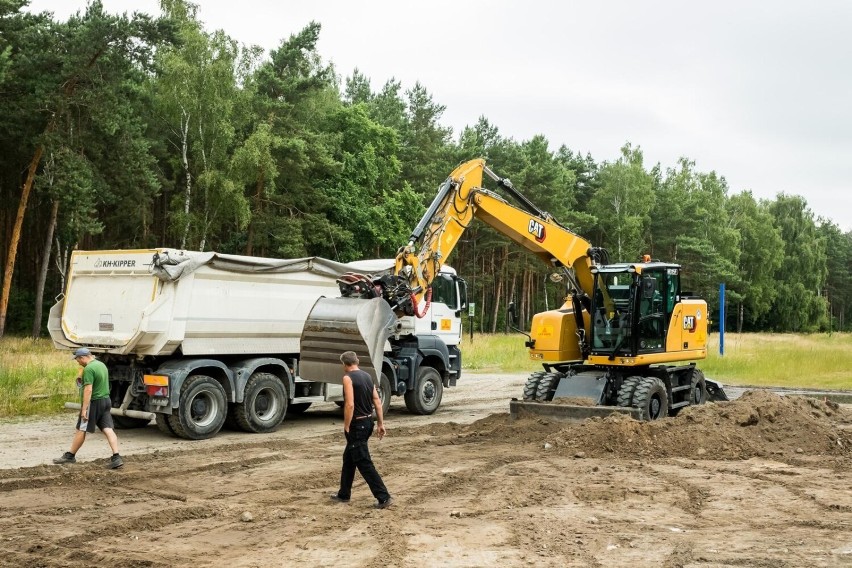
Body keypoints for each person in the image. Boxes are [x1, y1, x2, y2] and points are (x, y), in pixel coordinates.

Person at [330, 351, 392, 509]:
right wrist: (380, 423)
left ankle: (383, 497)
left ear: (344, 364)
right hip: (368, 423)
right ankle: (344, 494)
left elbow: (349, 404)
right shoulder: (367, 376)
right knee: (349, 459)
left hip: (356, 425)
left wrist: (346, 425)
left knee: (364, 462)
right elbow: (377, 401)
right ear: (356, 361)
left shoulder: (347, 378)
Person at [53, 347, 124, 469]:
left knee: (81, 428)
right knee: (108, 428)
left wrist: (84, 409)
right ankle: (116, 457)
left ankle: (70, 456)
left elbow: (88, 389)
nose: (78, 362)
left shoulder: (89, 369)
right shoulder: (101, 365)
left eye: (77, 360)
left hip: (94, 403)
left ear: (83, 357)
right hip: (106, 401)